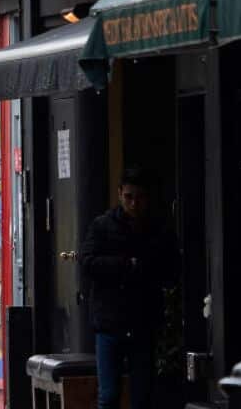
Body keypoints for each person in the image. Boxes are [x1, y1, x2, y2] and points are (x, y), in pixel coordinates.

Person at [79, 168, 178, 409]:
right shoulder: (103, 226)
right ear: (120, 194)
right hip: (110, 322)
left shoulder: (157, 229)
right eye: (129, 197)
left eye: (139, 197)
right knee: (109, 394)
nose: (134, 204)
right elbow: (87, 262)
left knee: (141, 395)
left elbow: (171, 268)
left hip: (142, 321)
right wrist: (125, 265)